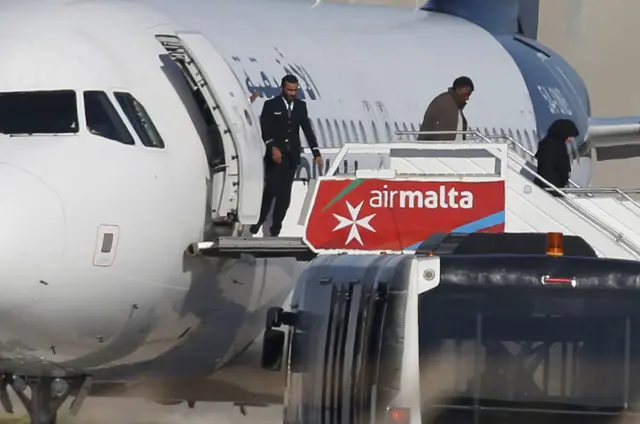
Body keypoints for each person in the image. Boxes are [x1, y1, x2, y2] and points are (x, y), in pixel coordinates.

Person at [250, 74, 323, 237]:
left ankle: (276, 227)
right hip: (274, 156)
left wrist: (316, 152)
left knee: (284, 194)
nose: (292, 93)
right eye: (289, 90)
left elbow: (307, 130)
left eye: (295, 90)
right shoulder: (271, 105)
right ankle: (259, 220)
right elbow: (265, 128)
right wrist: (272, 147)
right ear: (283, 89)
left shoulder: (300, 106)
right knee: (271, 190)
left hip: (291, 156)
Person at [418, 76, 474, 141]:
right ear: (458, 89)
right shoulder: (445, 104)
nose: (467, 98)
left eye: (469, 95)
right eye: (466, 94)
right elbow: (442, 136)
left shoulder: (454, 105)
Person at [533, 119, 578, 197]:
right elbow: (547, 169)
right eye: (569, 136)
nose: (571, 139)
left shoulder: (556, 145)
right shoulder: (551, 146)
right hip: (550, 189)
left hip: (555, 187)